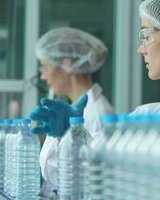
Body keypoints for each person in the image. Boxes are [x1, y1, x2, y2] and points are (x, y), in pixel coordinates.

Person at [29, 27, 114, 197]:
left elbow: (94, 179)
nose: (44, 77)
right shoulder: (74, 109)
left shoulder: (98, 113)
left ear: (67, 64)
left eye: (45, 67)